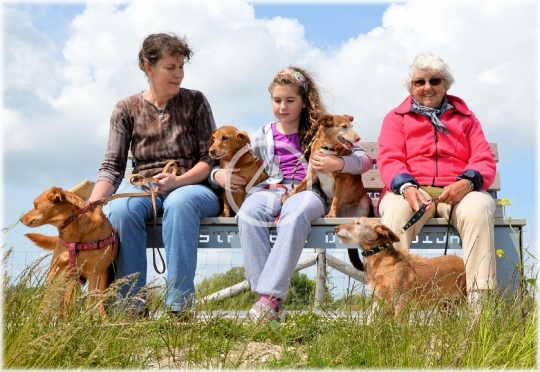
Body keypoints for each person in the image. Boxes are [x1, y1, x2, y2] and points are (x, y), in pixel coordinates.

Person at [210, 67, 372, 323]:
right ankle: (269, 301)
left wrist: (339, 165)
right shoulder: (263, 134)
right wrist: (217, 176)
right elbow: (233, 158)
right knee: (249, 215)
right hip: (269, 189)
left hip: (308, 190)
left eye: (290, 101)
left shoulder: (321, 130)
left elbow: (363, 159)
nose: (282, 107)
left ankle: (269, 300)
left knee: (295, 214)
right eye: (277, 101)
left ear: (304, 102)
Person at [89, 33, 220, 316]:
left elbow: (210, 158)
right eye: (170, 67)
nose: (179, 74)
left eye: (181, 67)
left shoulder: (196, 101)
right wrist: (95, 203)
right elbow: (112, 167)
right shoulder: (126, 109)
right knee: (122, 209)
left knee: (180, 202)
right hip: (145, 187)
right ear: (149, 68)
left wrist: (178, 181)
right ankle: (130, 308)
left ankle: (179, 309)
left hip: (193, 186)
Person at [377, 52, 497, 307]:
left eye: (435, 80)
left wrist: (467, 183)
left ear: (445, 85)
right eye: (420, 82)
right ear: (411, 87)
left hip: (457, 192)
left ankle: (480, 303)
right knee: (394, 216)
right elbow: (390, 158)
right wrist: (408, 188)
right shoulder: (396, 118)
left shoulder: (466, 117)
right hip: (410, 191)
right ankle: (387, 302)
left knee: (479, 208)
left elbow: (483, 157)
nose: (427, 87)